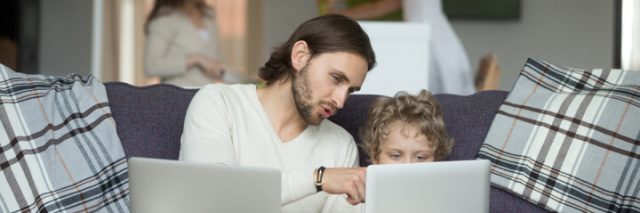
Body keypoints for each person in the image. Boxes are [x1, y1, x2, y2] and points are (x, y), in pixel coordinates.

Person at [179, 14, 376, 212]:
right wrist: (318, 179)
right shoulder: (219, 102)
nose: (340, 101)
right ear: (300, 56)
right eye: (335, 78)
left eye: (351, 90)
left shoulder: (341, 146)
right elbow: (212, 196)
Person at [323, 89, 455, 212]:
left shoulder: (445, 203)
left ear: (436, 159)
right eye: (396, 156)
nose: (408, 167)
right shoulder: (353, 203)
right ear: (375, 156)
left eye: (420, 157)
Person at [331, 0, 477, 95]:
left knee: (431, 86)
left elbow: (381, 6)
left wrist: (340, 14)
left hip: (425, 33)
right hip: (424, 30)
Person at [144, 0, 226, 87]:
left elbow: (215, 62)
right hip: (179, 94)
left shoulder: (208, 16)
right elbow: (151, 66)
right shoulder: (165, 19)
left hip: (207, 95)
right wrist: (195, 59)